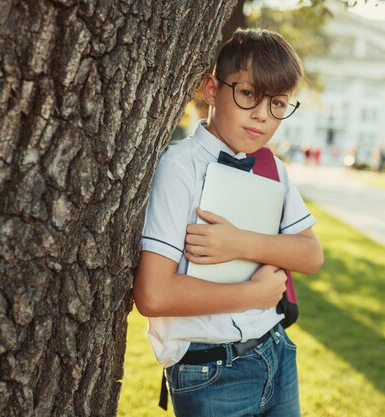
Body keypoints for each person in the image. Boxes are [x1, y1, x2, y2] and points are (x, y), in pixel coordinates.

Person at [133, 28, 324, 417]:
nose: (262, 115)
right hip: (211, 370)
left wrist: (240, 243)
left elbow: (311, 254)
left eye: (278, 104)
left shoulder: (273, 167)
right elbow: (153, 296)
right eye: (249, 94)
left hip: (276, 350)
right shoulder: (179, 167)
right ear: (211, 88)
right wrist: (253, 295)